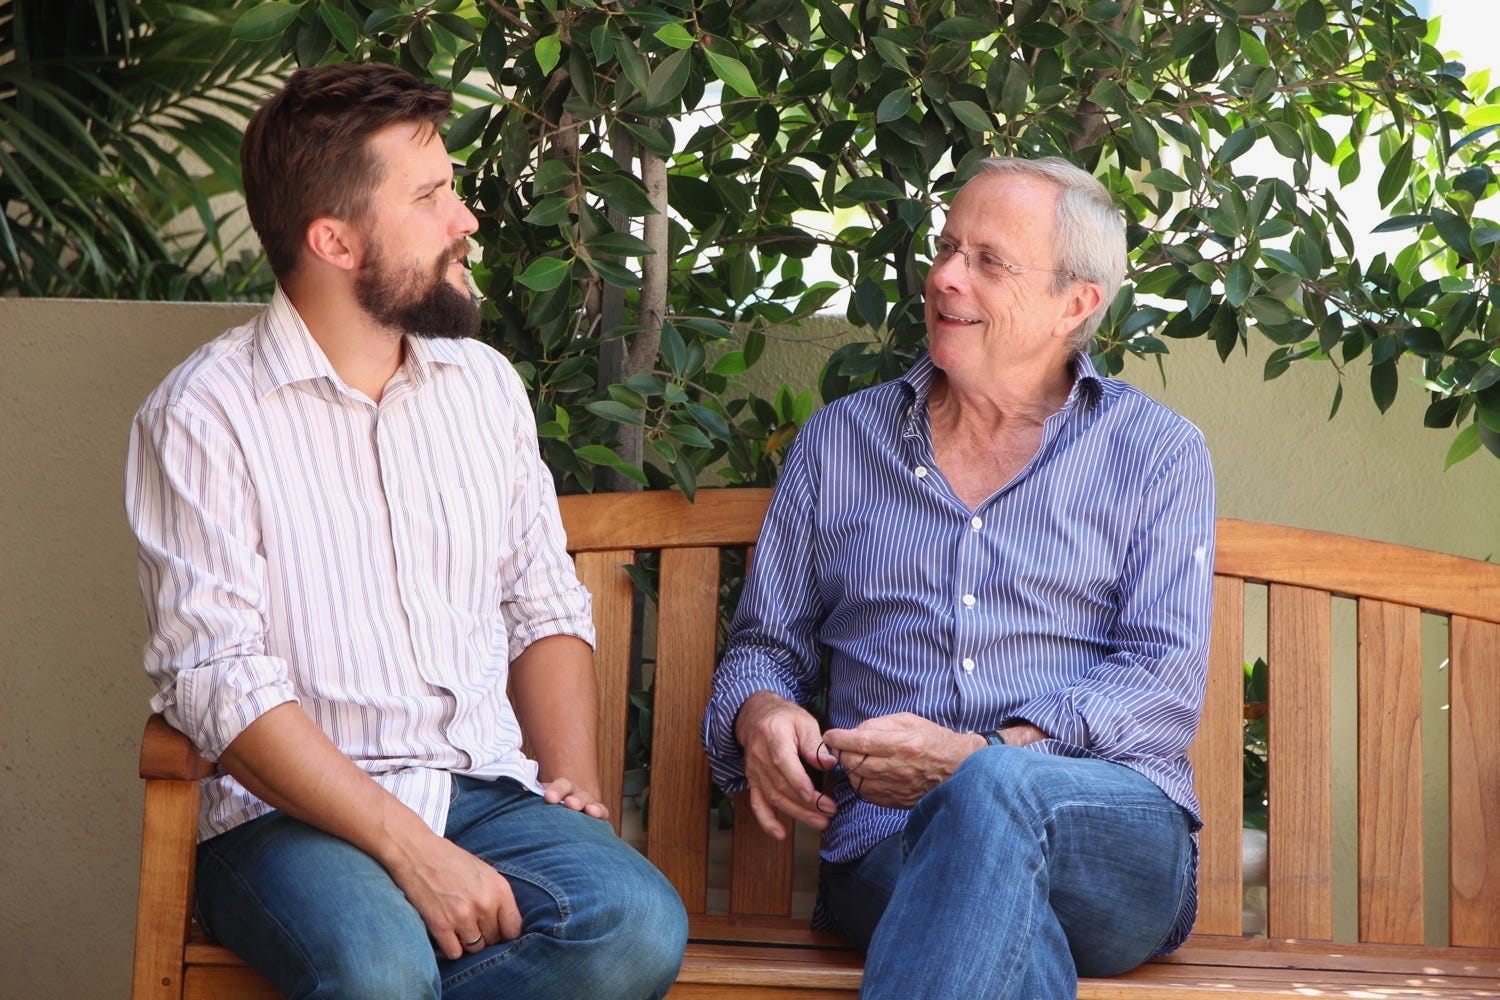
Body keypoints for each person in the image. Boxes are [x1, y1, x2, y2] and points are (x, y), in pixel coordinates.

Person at [125, 63, 686, 1000]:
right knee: (379, 969)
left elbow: (540, 605)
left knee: (633, 925)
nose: (466, 219)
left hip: (489, 794)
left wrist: (574, 792)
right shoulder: (202, 417)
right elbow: (217, 678)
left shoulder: (484, 388)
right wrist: (413, 852)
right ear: (334, 240)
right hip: (288, 820)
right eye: (429, 198)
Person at [701, 156, 1215, 998]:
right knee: (989, 914)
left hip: (1104, 832)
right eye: (946, 248)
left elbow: (1161, 678)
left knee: (992, 790)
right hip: (889, 837)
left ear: (1075, 303)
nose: (944, 277)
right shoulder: (840, 444)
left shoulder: (1156, 452)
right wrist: (761, 712)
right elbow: (765, 646)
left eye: (988, 261)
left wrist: (982, 757)